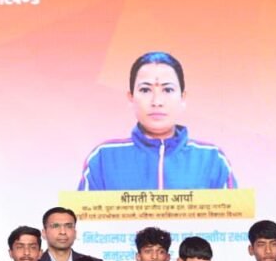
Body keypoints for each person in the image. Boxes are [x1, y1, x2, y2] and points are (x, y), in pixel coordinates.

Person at [78, 51, 237, 191]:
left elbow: (233, 215)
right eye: (145, 90)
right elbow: (83, 216)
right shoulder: (103, 158)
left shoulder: (212, 159)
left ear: (182, 98)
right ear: (131, 98)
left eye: (167, 90)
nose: (157, 101)